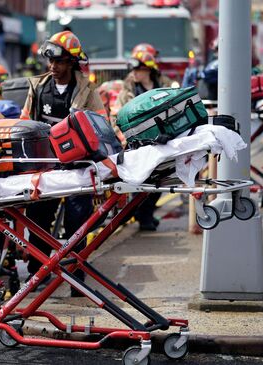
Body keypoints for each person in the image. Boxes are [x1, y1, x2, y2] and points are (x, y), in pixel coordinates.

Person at [20, 31, 106, 297]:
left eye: (58, 62)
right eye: (50, 61)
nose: (53, 67)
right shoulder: (37, 88)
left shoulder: (87, 90)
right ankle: (37, 274)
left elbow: (102, 125)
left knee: (77, 224)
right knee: (38, 220)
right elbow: (24, 123)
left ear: (71, 62)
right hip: (45, 167)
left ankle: (76, 277)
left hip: (77, 167)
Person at [113, 47, 174, 231]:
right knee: (143, 180)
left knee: (162, 180)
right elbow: (117, 117)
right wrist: (125, 138)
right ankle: (143, 216)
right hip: (138, 142)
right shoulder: (128, 91)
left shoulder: (164, 86)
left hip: (164, 139)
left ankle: (145, 213)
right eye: (132, 70)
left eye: (137, 69)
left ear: (148, 69)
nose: (133, 74)